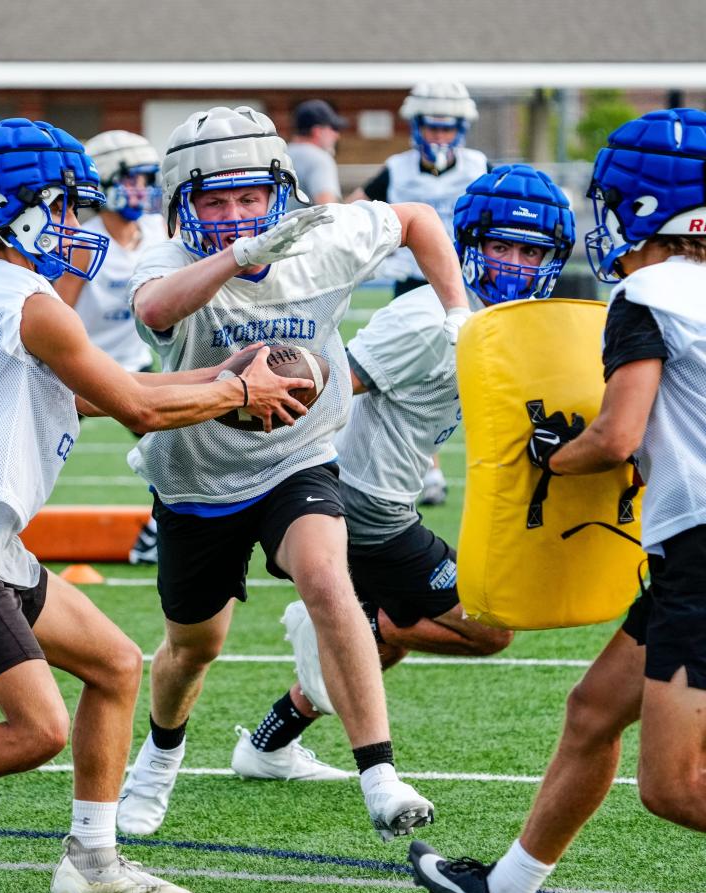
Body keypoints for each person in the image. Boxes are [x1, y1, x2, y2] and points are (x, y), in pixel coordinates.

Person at [0, 117, 312, 893]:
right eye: (67, 207)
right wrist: (239, 392)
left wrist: (216, 373)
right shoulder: (29, 304)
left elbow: (100, 392)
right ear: (22, 210)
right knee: (35, 728)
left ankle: (93, 858)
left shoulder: (12, 296)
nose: (79, 225)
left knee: (114, 665)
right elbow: (139, 410)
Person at [116, 104, 471, 843]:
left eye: (251, 197)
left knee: (327, 578)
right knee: (193, 647)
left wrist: (456, 310)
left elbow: (415, 221)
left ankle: (380, 773)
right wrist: (238, 256)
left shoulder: (325, 237)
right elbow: (153, 306)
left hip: (298, 458)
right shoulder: (170, 262)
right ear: (183, 206)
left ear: (279, 191)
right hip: (196, 480)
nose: (238, 213)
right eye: (216, 200)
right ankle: (157, 759)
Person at [409, 107, 706, 893]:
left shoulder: (645, 292)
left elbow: (615, 436)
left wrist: (554, 456)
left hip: (702, 553)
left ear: (642, 207)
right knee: (590, 711)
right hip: (692, 550)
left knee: (677, 787)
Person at [232, 164, 576, 782]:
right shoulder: (425, 320)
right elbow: (332, 390)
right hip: (364, 501)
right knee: (488, 630)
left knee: (389, 644)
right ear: (470, 247)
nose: (516, 264)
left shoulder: (497, 321)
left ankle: (268, 744)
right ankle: (344, 620)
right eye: (501, 246)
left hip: (385, 495)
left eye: (532, 251)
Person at [350, 81, 487, 505]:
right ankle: (426, 467)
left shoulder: (480, 165)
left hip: (467, 286)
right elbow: (354, 206)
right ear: (416, 127)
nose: (439, 137)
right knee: (409, 379)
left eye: (448, 129)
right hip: (412, 285)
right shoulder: (398, 168)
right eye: (432, 128)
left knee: (462, 377)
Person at [56, 129, 167, 564]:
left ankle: (158, 533)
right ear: (102, 182)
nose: (141, 189)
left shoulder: (157, 231)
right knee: (34, 453)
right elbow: (57, 310)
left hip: (134, 365)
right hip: (75, 372)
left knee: (178, 450)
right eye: (132, 179)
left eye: (146, 178)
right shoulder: (84, 242)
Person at [286, 98, 347, 209]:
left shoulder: (282, 153)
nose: (337, 135)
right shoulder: (319, 159)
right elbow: (328, 208)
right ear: (317, 131)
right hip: (302, 226)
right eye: (333, 128)